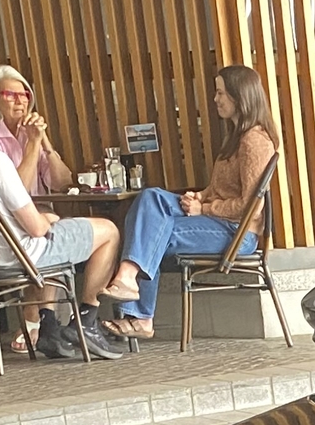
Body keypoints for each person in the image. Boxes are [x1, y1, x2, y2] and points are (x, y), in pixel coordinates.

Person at [0, 72, 127, 362]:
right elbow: (37, 228)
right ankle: (88, 320)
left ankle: (49, 327)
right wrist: (49, 221)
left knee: (59, 232)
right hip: (17, 254)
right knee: (107, 231)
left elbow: (60, 181)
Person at [98, 65, 278, 342]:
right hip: (216, 222)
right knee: (150, 198)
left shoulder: (254, 141)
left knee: (150, 233)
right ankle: (129, 282)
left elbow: (250, 207)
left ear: (240, 96)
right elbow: (220, 188)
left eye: (220, 93)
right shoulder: (236, 136)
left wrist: (203, 209)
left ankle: (138, 311)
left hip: (237, 234)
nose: (215, 99)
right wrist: (200, 196)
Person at [0, 64, 72, 196]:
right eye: (10, 95)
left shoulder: (28, 131)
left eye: (23, 95)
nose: (20, 101)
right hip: (10, 215)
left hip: (41, 212)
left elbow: (63, 184)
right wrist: (33, 144)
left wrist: (43, 139)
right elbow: (16, 194)